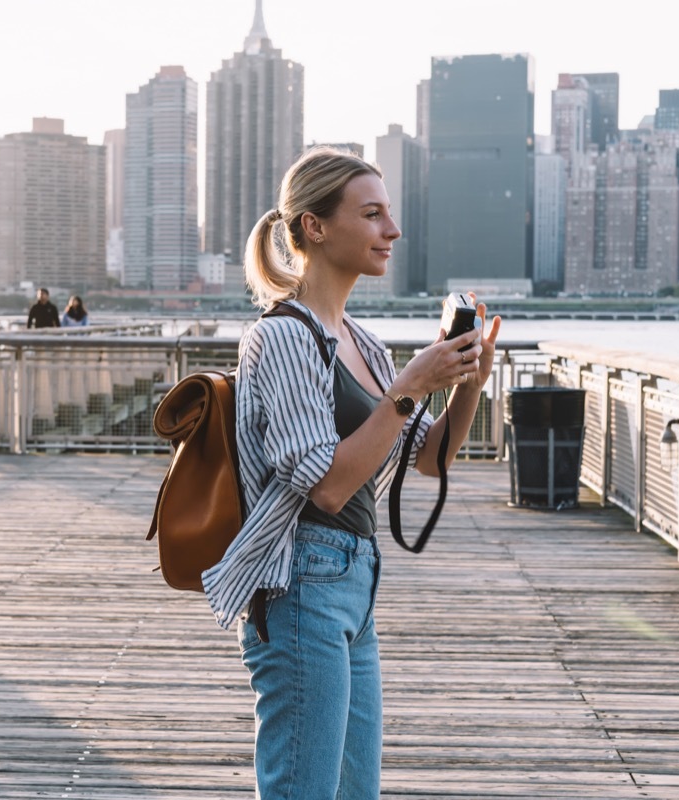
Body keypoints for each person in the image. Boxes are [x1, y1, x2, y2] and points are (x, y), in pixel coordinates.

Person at [202, 146, 501, 798]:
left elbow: (431, 455)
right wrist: (409, 386)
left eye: (388, 213)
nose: (391, 230)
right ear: (315, 226)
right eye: (371, 214)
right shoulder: (281, 337)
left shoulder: (361, 342)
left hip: (355, 586)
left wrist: (466, 380)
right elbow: (330, 486)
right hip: (301, 583)